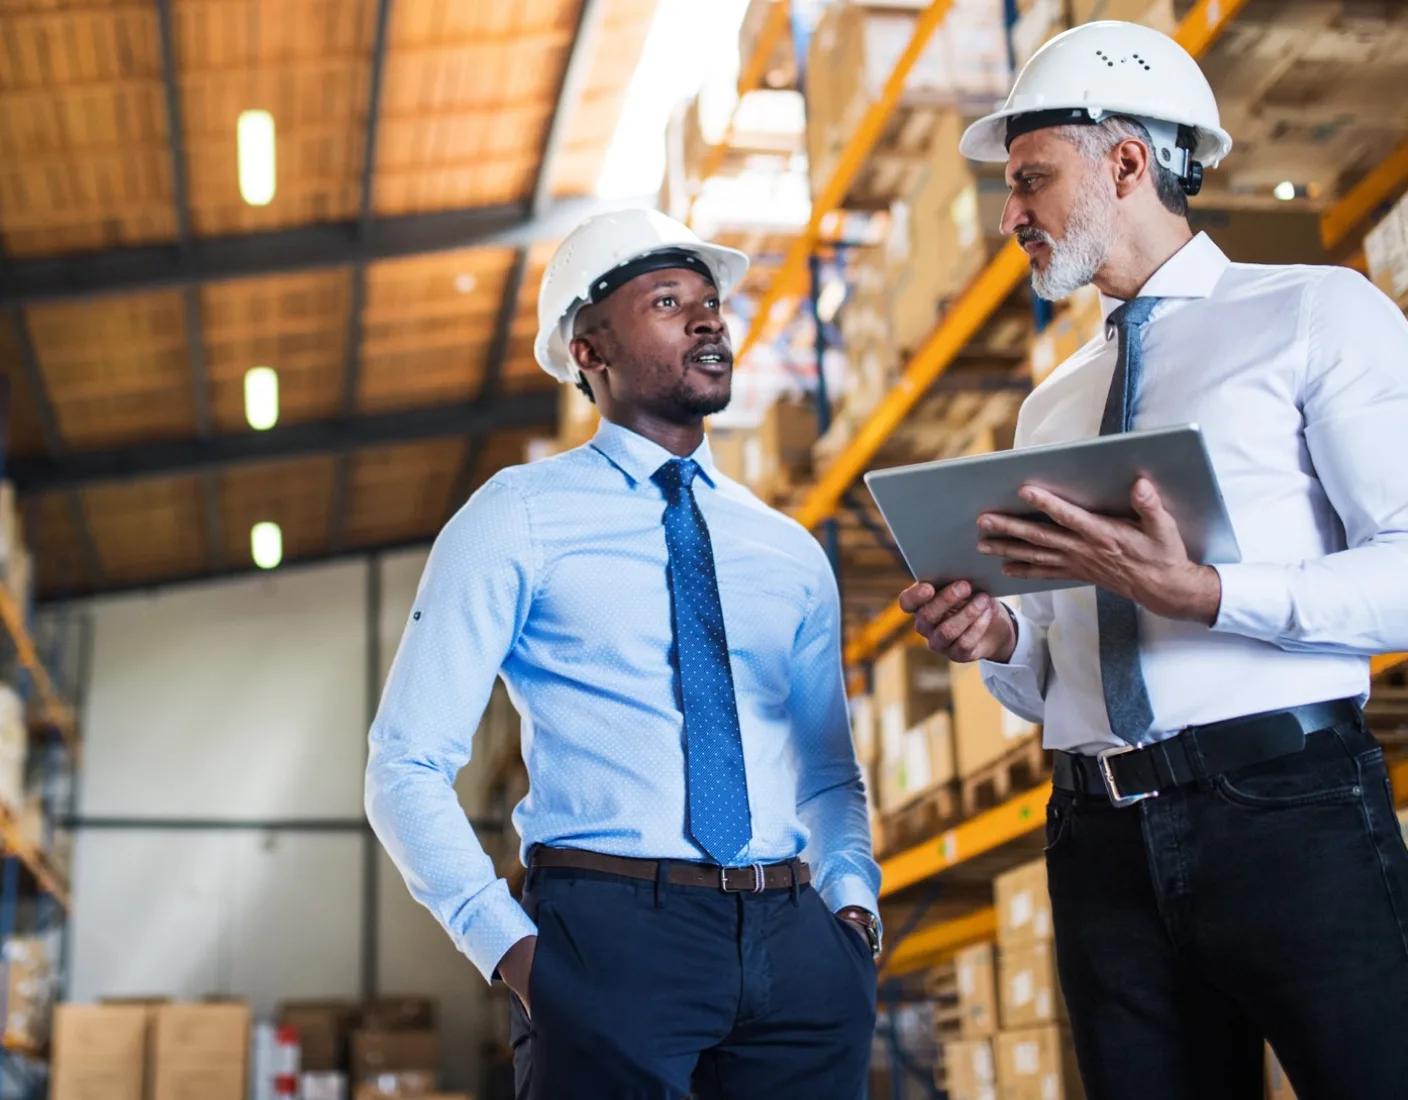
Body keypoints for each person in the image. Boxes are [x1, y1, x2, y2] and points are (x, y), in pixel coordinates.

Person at [897, 20, 1408, 1100]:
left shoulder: (1315, 315)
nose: (1009, 216)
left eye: (1030, 180)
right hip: (1099, 841)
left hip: (1286, 812)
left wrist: (1206, 593)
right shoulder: (1053, 405)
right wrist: (995, 636)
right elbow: (1053, 665)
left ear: (1126, 162)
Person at [366, 208, 881, 1100]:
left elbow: (829, 774)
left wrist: (851, 913)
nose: (709, 319)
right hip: (607, 942)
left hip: (797, 947)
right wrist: (516, 954)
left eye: (712, 303)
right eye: (670, 301)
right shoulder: (515, 516)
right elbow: (404, 766)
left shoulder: (787, 549)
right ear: (588, 352)